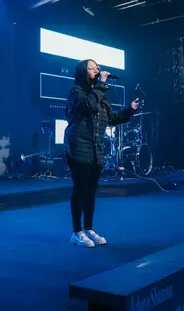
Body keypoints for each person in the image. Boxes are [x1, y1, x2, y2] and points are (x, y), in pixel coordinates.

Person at [64, 59, 138, 248]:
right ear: (83, 72)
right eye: (92, 68)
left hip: (96, 149)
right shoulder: (76, 92)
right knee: (80, 189)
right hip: (79, 146)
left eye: (97, 68)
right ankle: (76, 232)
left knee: (91, 192)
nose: (97, 70)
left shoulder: (100, 95)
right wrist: (101, 85)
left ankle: (89, 229)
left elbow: (111, 119)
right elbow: (88, 105)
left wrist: (130, 110)